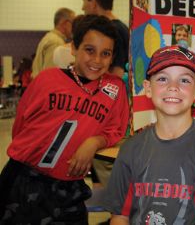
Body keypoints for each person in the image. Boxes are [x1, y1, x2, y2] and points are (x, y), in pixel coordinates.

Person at [0, 15, 129, 223]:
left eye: (106, 54)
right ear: (73, 49)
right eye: (89, 50)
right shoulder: (47, 79)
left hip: (69, 186)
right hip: (24, 179)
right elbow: (20, 127)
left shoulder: (114, 88)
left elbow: (115, 130)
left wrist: (94, 142)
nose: (97, 60)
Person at [103, 46, 195, 224]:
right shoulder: (131, 148)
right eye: (162, 79)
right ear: (148, 88)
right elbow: (120, 216)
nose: (172, 87)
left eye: (184, 80)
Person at [82, 0, 129, 79]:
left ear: (93, 3)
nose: (82, 8)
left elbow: (117, 71)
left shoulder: (113, 31)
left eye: (84, 1)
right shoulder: (122, 27)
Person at [31, 7, 75, 78]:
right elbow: (50, 74)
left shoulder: (48, 37)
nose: (74, 28)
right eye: (73, 23)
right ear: (65, 23)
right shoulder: (56, 42)